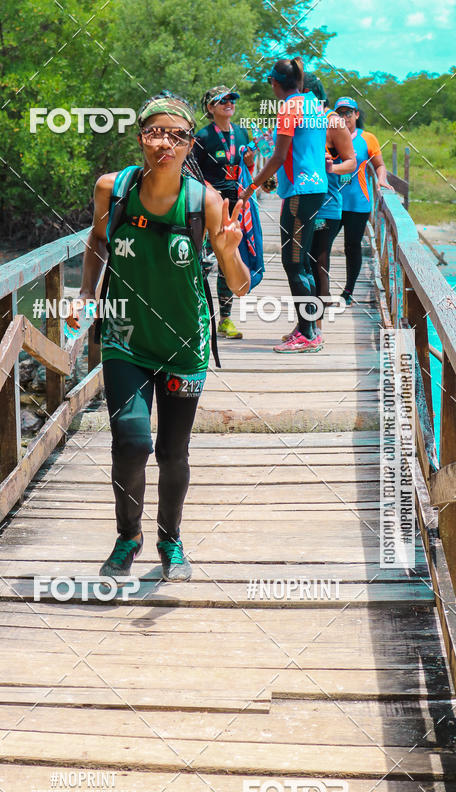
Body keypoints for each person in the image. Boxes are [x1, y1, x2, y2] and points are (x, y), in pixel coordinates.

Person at [67, 92, 249, 582]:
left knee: (173, 451)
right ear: (140, 136)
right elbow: (98, 239)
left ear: (191, 143)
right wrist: (86, 292)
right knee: (130, 442)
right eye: (154, 132)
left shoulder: (204, 201)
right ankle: (128, 536)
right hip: (125, 336)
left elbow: (238, 285)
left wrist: (230, 252)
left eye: (177, 135)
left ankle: (171, 539)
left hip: (184, 344)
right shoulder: (114, 188)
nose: (164, 143)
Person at [239, 58, 329, 353]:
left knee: (293, 263)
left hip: (299, 192)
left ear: (274, 82)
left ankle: (308, 335)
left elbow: (278, 156)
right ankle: (310, 327)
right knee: (301, 261)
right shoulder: (314, 104)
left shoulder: (289, 107)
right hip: (315, 189)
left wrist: (250, 188)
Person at [193, 86, 254, 340]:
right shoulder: (202, 137)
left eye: (232, 100)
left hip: (235, 204)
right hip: (209, 205)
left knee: (228, 259)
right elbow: (193, 173)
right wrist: (210, 194)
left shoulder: (242, 133)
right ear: (210, 107)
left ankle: (226, 319)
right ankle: (199, 316)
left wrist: (251, 161)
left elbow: (249, 165)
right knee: (204, 262)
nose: (229, 103)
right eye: (222, 101)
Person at [305, 78, 356, 336]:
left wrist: (330, 169)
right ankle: (306, 324)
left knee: (318, 261)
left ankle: (316, 325)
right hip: (299, 203)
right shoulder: (298, 119)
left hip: (325, 206)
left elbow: (351, 162)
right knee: (300, 264)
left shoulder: (333, 121)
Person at [333, 96, 392, 306]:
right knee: (320, 245)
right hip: (331, 202)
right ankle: (320, 290)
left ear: (356, 115)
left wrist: (381, 181)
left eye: (348, 113)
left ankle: (348, 292)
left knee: (352, 246)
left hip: (358, 203)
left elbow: (379, 165)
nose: (344, 118)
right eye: (339, 113)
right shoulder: (328, 136)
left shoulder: (367, 138)